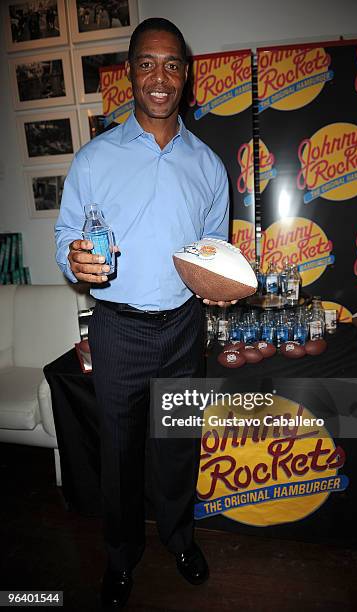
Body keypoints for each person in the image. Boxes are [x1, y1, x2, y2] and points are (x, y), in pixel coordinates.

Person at [55, 17, 234, 609]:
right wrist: (74, 258)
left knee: (179, 445)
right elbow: (66, 238)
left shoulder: (209, 165)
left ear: (187, 76)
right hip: (118, 330)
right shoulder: (94, 158)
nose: (160, 78)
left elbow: (213, 244)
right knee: (121, 456)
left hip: (184, 329)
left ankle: (181, 540)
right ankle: (121, 557)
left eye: (173, 65)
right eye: (148, 64)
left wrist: (219, 279)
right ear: (131, 73)